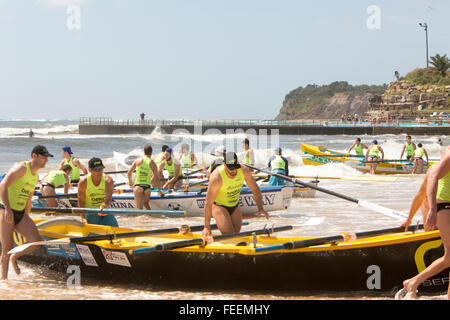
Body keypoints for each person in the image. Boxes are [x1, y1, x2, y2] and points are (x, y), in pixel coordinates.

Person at [398, 146, 450, 300]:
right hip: (443, 206)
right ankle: (413, 282)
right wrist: (429, 212)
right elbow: (420, 195)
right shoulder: (445, 159)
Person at [0, 145, 53, 280]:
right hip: (5, 209)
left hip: (20, 212)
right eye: (43, 157)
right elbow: (3, 185)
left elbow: (29, 198)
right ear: (34, 156)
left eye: (47, 158)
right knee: (7, 248)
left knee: (35, 241)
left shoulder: (35, 176)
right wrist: (7, 209)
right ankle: (4, 282)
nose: (46, 160)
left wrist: (27, 217)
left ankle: (15, 256)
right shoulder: (21, 168)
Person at [202, 152, 269, 237]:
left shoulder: (244, 170)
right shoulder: (217, 177)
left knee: (236, 235)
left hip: (235, 205)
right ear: (225, 165)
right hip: (219, 205)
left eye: (235, 167)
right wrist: (207, 227)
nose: (233, 171)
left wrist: (260, 208)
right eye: (231, 168)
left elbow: (255, 189)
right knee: (230, 235)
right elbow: (208, 202)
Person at [77, 157, 118, 227]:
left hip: (105, 210)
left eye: (101, 169)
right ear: (89, 170)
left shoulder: (108, 180)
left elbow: (108, 198)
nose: (99, 172)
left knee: (115, 230)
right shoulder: (83, 182)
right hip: (91, 211)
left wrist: (105, 205)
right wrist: (83, 218)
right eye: (96, 170)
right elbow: (81, 200)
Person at [127, 145, 163, 210]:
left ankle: (142, 220)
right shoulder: (153, 163)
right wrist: (159, 190)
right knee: (146, 204)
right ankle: (150, 218)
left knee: (139, 208)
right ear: (151, 153)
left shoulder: (137, 161)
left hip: (138, 186)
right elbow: (156, 178)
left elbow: (129, 173)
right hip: (147, 187)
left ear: (144, 152)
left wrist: (130, 182)